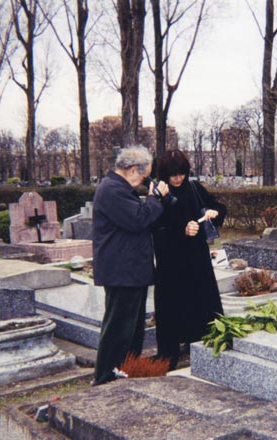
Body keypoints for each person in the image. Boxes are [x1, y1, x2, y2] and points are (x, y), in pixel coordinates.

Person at [91, 145, 170, 385]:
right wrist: (155, 198)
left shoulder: (119, 189)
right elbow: (138, 219)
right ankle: (105, 376)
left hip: (130, 270)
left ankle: (124, 370)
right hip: (122, 271)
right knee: (118, 328)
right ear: (134, 169)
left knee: (132, 329)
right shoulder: (112, 190)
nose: (144, 182)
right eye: (145, 177)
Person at [152, 149, 227, 369]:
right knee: (172, 305)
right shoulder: (159, 194)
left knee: (200, 301)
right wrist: (181, 231)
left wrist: (214, 212)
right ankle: (169, 353)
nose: (177, 178)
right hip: (171, 261)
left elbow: (218, 207)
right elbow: (156, 227)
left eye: (181, 173)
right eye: (173, 175)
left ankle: (201, 344)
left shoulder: (194, 188)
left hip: (196, 258)